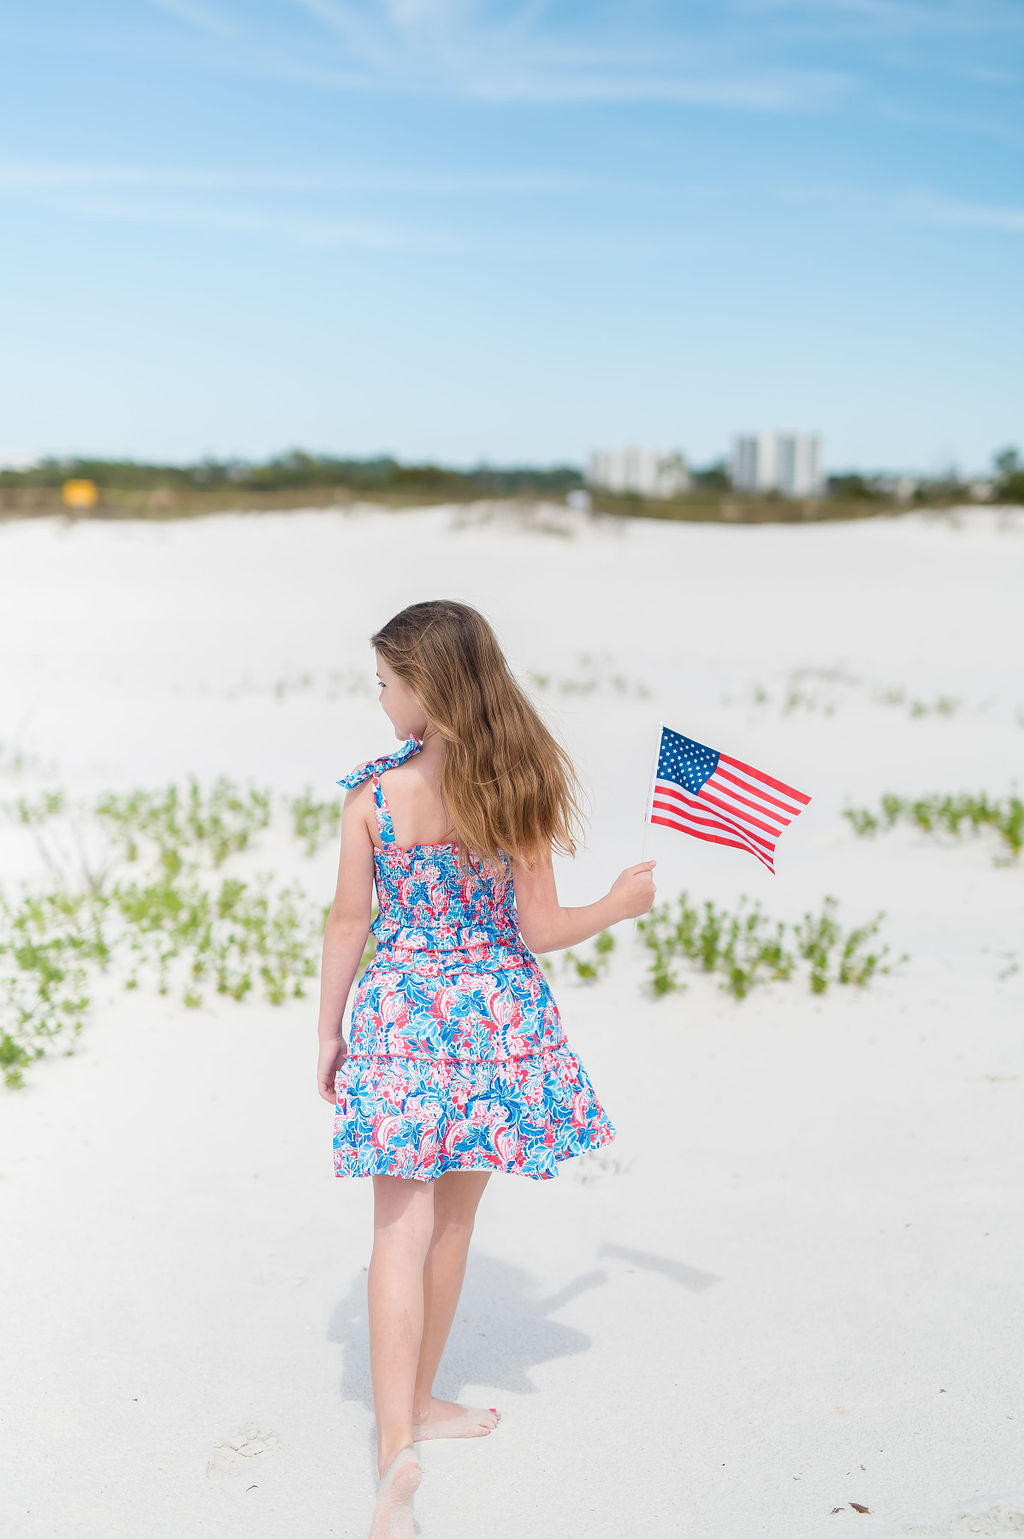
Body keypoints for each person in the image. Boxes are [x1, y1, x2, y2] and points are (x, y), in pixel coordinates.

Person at [315, 600, 656, 1539]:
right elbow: (539, 930)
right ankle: (421, 1401)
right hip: (492, 1022)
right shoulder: (517, 785)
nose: (380, 697)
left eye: (386, 681)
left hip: (399, 1014)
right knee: (453, 1221)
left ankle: (397, 1446)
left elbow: (349, 922)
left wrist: (329, 1030)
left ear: (426, 686)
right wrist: (619, 905)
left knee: (397, 1229)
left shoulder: (374, 797)